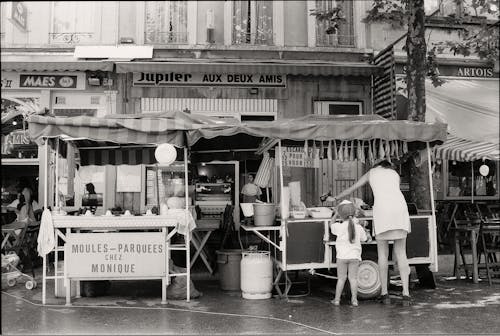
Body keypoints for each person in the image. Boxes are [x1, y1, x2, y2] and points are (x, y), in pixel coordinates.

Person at [326, 160, 411, 306]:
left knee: (383, 255)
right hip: (401, 210)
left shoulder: (372, 172)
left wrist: (335, 198)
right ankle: (406, 294)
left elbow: (352, 189)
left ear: (376, 165)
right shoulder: (395, 174)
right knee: (401, 253)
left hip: (383, 211)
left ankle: (385, 294)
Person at [330, 200, 367, 307]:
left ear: (341, 215)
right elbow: (364, 239)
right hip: (354, 257)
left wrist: (335, 213)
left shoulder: (339, 226)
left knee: (341, 279)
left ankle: (337, 300)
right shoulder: (359, 227)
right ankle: (354, 300)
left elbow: (331, 224)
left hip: (341, 257)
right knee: (353, 279)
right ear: (354, 212)